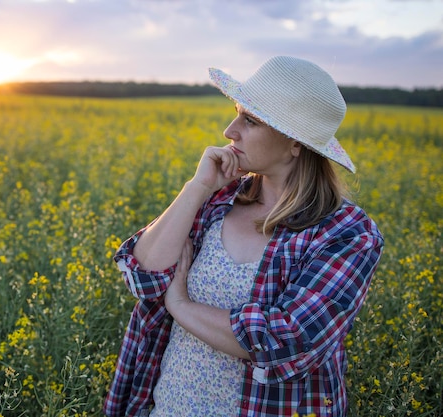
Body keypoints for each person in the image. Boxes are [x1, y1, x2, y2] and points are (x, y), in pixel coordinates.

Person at [103, 56, 384, 417]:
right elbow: (142, 276)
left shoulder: (347, 234)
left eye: (249, 120)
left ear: (295, 143)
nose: (229, 130)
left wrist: (180, 305)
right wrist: (197, 187)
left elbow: (285, 339)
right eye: (237, 113)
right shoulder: (219, 199)